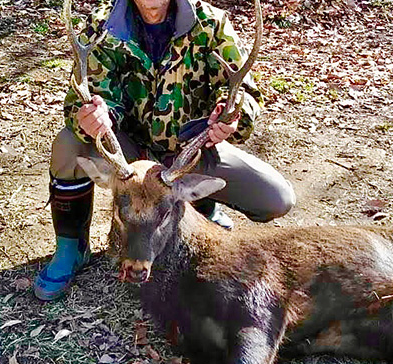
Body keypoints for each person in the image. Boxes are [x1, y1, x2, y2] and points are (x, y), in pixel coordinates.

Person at [34, 0, 295, 301]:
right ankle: (71, 248)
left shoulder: (210, 23)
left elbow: (244, 92)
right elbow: (79, 98)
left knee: (276, 198)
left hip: (189, 156)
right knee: (69, 144)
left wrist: (231, 116)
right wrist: (92, 117)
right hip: (128, 159)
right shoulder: (102, 26)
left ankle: (202, 206)